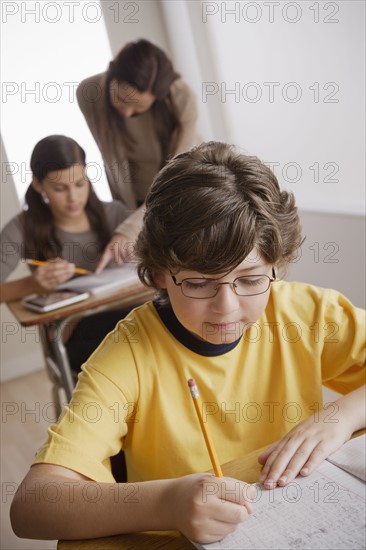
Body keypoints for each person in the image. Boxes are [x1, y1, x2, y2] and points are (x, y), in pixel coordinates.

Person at [10, 142, 365, 544]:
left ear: (277, 263)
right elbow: (33, 506)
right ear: (160, 274)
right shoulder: (128, 355)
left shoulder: (309, 312)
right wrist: (168, 503)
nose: (226, 309)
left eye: (250, 280)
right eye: (198, 283)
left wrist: (341, 417)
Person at [0, 135, 137, 372]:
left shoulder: (115, 215)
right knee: (134, 336)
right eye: (60, 188)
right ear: (38, 184)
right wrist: (32, 284)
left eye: (80, 184)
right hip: (77, 333)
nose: (73, 197)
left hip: (132, 313)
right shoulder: (22, 228)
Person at [77, 38, 201, 271]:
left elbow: (176, 178)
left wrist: (129, 228)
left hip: (185, 198)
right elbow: (111, 158)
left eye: (139, 108)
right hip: (139, 205)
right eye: (121, 99)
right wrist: (128, 221)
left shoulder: (182, 98)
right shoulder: (89, 93)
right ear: (111, 72)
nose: (126, 112)